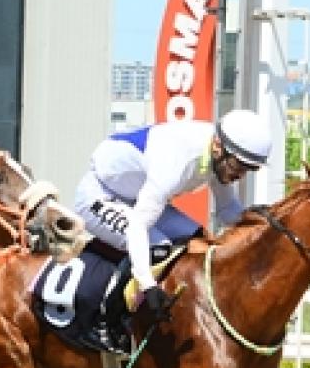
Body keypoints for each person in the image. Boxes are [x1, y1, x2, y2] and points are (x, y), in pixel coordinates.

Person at [73, 108, 274, 324]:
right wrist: (147, 284)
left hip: (135, 197)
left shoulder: (218, 154)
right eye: (239, 166)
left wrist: (263, 224)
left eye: (249, 169)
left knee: (199, 239)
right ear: (218, 146)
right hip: (100, 195)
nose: (240, 176)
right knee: (157, 247)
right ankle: (108, 319)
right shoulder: (177, 161)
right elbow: (138, 227)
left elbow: (228, 211)